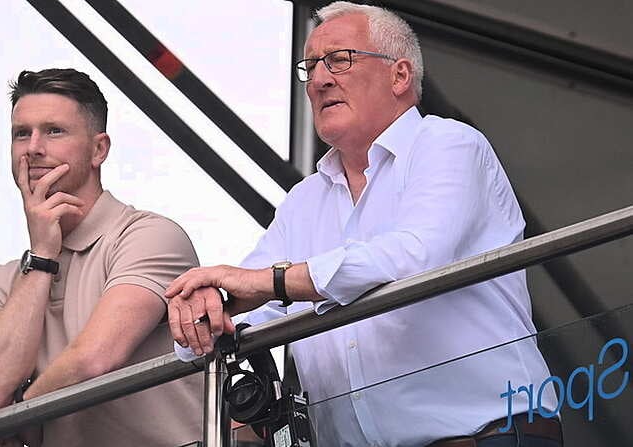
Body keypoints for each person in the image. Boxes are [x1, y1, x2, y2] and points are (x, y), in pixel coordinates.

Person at [165, 3, 561, 447]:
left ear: (400, 75)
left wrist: (270, 281)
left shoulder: (448, 143)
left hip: (487, 436)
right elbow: (245, 307)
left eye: (339, 60)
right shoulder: (303, 201)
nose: (319, 80)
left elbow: (414, 256)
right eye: (310, 67)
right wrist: (204, 308)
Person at [0, 68, 202, 447]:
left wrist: (24, 417)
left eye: (54, 131)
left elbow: (94, 359)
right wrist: (42, 255)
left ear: (98, 150)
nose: (33, 147)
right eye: (21, 133)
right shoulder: (3, 280)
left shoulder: (147, 235)